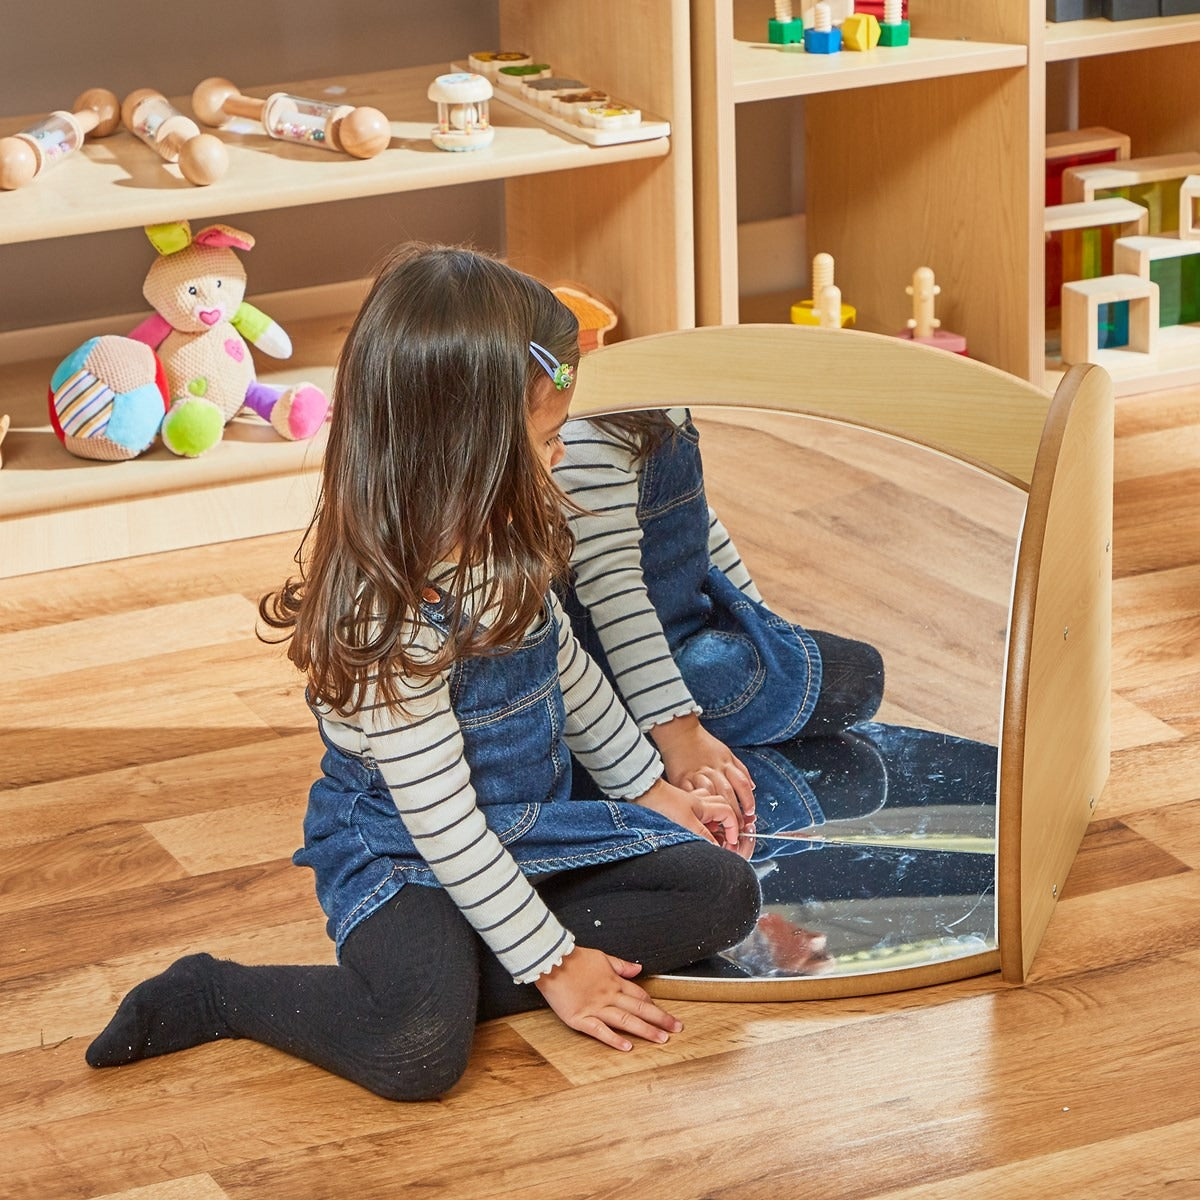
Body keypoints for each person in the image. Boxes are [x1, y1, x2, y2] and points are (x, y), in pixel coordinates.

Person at [86, 247, 761, 1101]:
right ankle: (221, 992)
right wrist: (555, 966)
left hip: (528, 825)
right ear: (469, 450)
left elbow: (571, 673)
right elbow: (443, 826)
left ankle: (475, 959)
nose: (558, 460)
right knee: (414, 1051)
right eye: (547, 439)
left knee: (722, 892)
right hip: (407, 853)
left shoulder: (507, 534)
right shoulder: (389, 619)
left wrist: (648, 788)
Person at [554, 407, 891, 845]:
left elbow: (699, 525)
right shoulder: (588, 433)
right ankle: (617, 749)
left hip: (679, 637)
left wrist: (768, 628)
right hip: (640, 672)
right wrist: (681, 737)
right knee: (859, 676)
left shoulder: (656, 403)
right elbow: (613, 592)